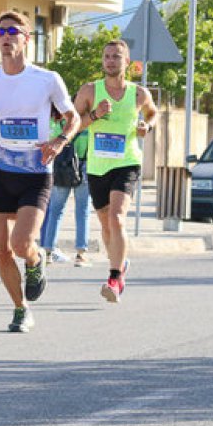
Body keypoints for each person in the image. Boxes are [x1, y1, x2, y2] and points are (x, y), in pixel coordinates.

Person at [0, 10, 78, 333]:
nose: (6, 37)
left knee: (22, 244)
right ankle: (21, 309)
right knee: (1, 249)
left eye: (13, 31)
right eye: (1, 32)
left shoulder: (46, 79)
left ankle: (35, 260)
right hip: (4, 173)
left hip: (37, 172)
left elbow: (73, 118)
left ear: (26, 39)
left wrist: (59, 141)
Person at [74, 38, 159, 304]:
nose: (110, 61)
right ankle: (120, 263)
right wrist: (95, 115)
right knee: (105, 223)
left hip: (127, 163)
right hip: (97, 166)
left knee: (117, 218)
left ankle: (114, 278)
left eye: (116, 56)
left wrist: (147, 126)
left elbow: (153, 113)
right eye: (107, 56)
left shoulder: (138, 93)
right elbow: (73, 124)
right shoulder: (89, 91)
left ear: (127, 62)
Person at [40, 110, 91, 266]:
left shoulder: (60, 123)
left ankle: (48, 251)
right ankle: (81, 254)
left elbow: (51, 141)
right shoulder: (89, 124)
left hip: (62, 167)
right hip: (83, 166)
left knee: (56, 210)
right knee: (83, 210)